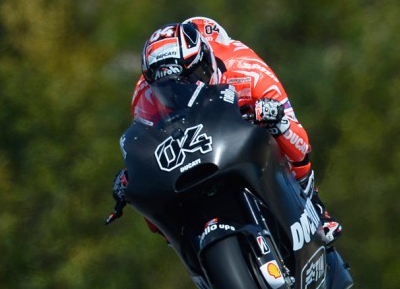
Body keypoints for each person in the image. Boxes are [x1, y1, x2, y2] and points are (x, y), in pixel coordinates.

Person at [109, 16, 341, 245]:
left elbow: (301, 140)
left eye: (192, 79)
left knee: (283, 126)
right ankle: (183, 243)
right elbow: (146, 142)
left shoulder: (248, 71)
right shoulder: (144, 97)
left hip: (232, 114)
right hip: (186, 136)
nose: (181, 92)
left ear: (206, 62)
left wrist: (274, 116)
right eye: (168, 90)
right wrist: (133, 175)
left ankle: (317, 208)